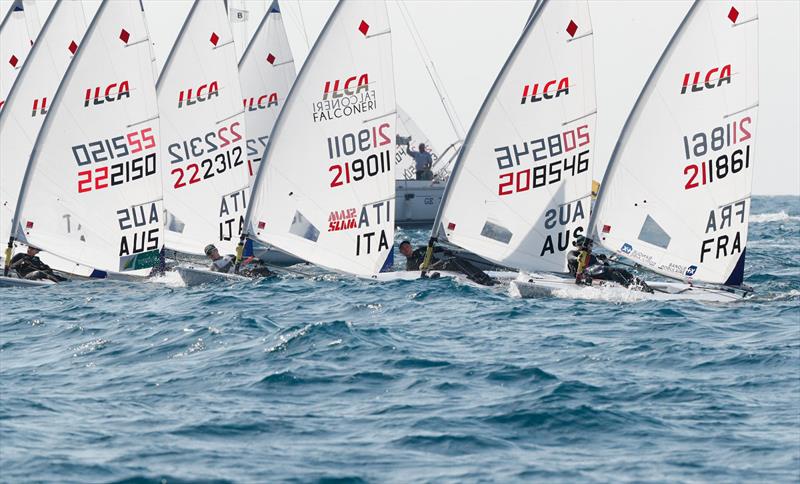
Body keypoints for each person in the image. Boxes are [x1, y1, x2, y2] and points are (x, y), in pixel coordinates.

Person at [568, 236, 652, 292]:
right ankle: (630, 289)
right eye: (590, 245)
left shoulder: (592, 256)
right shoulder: (574, 253)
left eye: (591, 245)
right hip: (587, 272)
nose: (591, 247)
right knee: (612, 272)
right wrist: (578, 259)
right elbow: (571, 258)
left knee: (623, 271)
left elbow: (606, 268)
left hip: (597, 270)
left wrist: (605, 261)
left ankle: (645, 287)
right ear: (582, 245)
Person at [398, 240, 496, 286]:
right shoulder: (409, 264)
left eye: (408, 246)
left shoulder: (421, 250)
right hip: (436, 268)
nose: (407, 249)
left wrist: (445, 250)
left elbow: (436, 249)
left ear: (411, 247)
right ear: (401, 252)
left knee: (458, 260)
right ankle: (480, 279)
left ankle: (483, 277)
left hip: (439, 264)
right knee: (454, 261)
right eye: (404, 248)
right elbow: (418, 273)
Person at [204, 244, 274, 278]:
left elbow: (243, 260)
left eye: (211, 252)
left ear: (216, 250)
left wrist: (255, 260)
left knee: (263, 269)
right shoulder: (213, 265)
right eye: (208, 254)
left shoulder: (229, 256)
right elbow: (220, 272)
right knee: (260, 271)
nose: (210, 255)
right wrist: (230, 263)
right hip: (237, 276)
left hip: (245, 271)